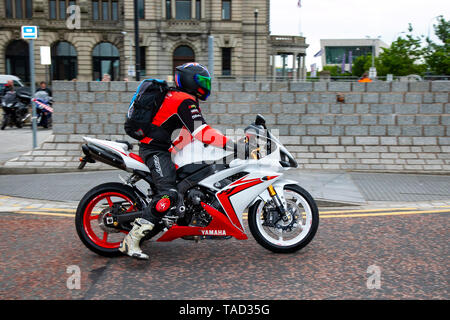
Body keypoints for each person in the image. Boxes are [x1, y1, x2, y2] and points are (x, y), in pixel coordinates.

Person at [119, 62, 236, 260]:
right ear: (192, 81)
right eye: (203, 81)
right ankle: (131, 240)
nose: (207, 85)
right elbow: (202, 132)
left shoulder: (180, 98)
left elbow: (186, 132)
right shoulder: (184, 100)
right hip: (154, 150)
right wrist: (234, 145)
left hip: (163, 148)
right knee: (169, 193)